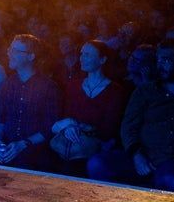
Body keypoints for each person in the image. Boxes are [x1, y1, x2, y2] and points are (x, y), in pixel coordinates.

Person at [87, 40, 174, 192]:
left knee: (171, 178)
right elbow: (129, 127)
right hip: (144, 155)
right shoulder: (145, 91)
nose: (160, 65)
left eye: (166, 60)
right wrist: (136, 154)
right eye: (158, 60)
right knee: (98, 163)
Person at [0, 34, 61, 170]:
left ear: (31, 56)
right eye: (10, 49)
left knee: (23, 163)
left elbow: (50, 127)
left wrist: (23, 144)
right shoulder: (7, 84)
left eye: (15, 51)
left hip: (35, 149)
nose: (9, 54)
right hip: (7, 145)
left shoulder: (48, 87)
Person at [50, 40, 125, 173]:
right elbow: (64, 116)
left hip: (95, 148)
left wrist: (76, 125)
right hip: (69, 145)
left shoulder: (115, 91)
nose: (82, 58)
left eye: (87, 54)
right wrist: (68, 127)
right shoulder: (72, 86)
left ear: (102, 60)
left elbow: (109, 129)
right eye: (81, 54)